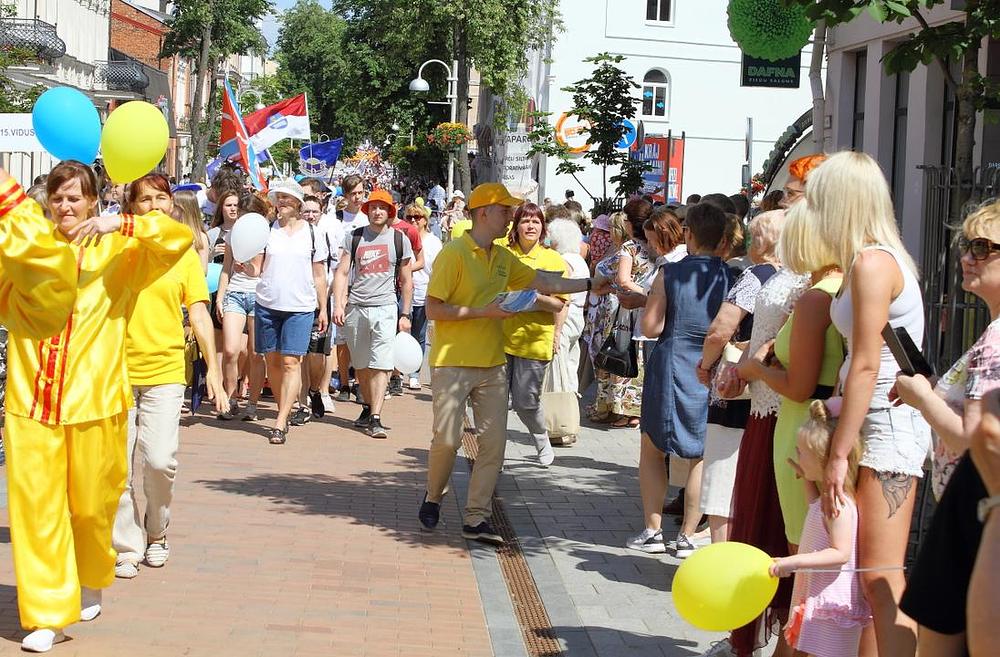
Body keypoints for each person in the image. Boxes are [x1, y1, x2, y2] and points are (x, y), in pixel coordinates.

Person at [4, 162, 191, 652]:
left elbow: (177, 237)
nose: (66, 207)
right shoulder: (28, 246)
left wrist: (122, 222)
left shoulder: (121, 250)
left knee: (90, 509)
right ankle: (47, 612)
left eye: (76, 198)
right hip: (31, 402)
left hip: (94, 401)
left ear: (92, 202)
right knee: (38, 510)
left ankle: (90, 574)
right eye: (59, 198)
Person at [417, 183, 595, 545]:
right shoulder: (454, 254)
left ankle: (476, 518)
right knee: (448, 441)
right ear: (483, 213)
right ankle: (434, 495)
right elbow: (433, 308)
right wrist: (484, 312)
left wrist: (594, 282)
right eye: (505, 210)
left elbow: (546, 281)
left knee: (494, 445)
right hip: (452, 363)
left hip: (493, 365)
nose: (511, 217)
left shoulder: (502, 257)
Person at [800, 152, 928, 657]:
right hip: (869, 422)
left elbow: (870, 364)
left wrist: (836, 456)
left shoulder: (874, 263)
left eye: (819, 198)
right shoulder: (867, 260)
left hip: (886, 425)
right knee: (868, 575)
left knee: (879, 576)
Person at [893, 200, 1000, 656]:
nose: (967, 257)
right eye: (966, 246)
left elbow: (979, 436)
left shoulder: (997, 339)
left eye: (983, 247)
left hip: (977, 507)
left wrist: (921, 398)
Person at [113, 174, 227, 580]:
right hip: (115, 371)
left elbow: (198, 311)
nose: (154, 206)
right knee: (116, 468)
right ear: (131, 208)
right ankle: (126, 544)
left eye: (161, 198)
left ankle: (157, 532)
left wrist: (213, 370)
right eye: (144, 200)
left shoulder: (182, 252)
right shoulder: (116, 245)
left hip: (165, 370)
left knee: (159, 461)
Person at [739, 204, 845, 549]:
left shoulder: (816, 297)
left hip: (804, 424)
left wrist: (757, 369)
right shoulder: (834, 287)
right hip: (818, 421)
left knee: (803, 543)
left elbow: (799, 388)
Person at [629, 203, 732, 557]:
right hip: (713, 367)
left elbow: (651, 327)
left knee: (653, 447)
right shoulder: (732, 277)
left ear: (688, 233)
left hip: (672, 362)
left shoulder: (669, 273)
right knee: (705, 451)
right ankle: (688, 534)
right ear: (723, 238)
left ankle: (653, 529)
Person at [698, 210, 784, 545]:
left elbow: (721, 329)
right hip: (773, 391)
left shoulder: (756, 276)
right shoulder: (800, 278)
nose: (749, 241)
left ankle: (722, 558)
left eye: (754, 234)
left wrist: (705, 366)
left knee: (722, 478)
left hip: (736, 387)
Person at [770, 400, 872, 657]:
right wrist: (806, 477)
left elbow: (840, 552)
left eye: (802, 452)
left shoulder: (839, 504)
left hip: (831, 602)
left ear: (823, 460)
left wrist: (793, 561)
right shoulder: (827, 500)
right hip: (818, 595)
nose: (797, 454)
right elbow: (814, 506)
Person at [332, 188, 413, 438]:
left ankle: (376, 415)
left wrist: (405, 314)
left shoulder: (400, 240)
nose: (377, 211)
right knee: (362, 364)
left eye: (382, 207)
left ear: (390, 211)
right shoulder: (355, 237)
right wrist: (338, 304)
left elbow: (407, 280)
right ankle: (367, 406)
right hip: (357, 306)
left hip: (386, 307)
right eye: (373, 207)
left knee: (382, 363)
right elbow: (343, 272)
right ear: (367, 211)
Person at [254, 179, 329, 444]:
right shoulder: (266, 230)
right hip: (268, 303)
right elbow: (257, 267)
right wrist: (244, 265)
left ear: (298, 202)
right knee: (272, 363)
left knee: (291, 362)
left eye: (287, 198)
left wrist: (323, 307)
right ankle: (281, 407)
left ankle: (281, 419)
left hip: (300, 306)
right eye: (279, 198)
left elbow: (319, 274)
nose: (282, 202)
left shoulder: (312, 233)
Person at [502, 203, 568, 466]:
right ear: (515, 226)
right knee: (495, 402)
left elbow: (559, 303)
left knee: (525, 401)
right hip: (500, 338)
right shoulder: (504, 255)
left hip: (534, 339)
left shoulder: (552, 259)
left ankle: (541, 438)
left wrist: (534, 298)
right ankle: (494, 454)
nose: (530, 226)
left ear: (543, 228)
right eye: (525, 221)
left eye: (536, 222)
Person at [593, 199, 655, 428]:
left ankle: (616, 408)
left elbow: (622, 279)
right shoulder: (655, 245)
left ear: (630, 223)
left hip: (627, 307)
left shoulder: (630, 248)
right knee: (639, 359)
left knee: (619, 352)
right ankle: (636, 411)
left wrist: (635, 291)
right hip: (649, 309)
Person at [214, 196, 266, 421]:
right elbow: (226, 269)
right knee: (230, 349)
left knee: (256, 353)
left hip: (258, 296)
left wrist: (248, 269)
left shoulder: (265, 236)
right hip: (234, 294)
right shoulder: (232, 236)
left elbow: (260, 271)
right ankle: (230, 397)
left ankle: (252, 404)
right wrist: (220, 297)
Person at [291, 195, 337, 424]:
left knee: (317, 355)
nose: (310, 215)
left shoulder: (326, 236)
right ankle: (301, 405)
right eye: (306, 211)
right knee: (299, 356)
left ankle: (315, 389)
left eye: (314, 212)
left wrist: (330, 304)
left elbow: (335, 272)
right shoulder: (294, 236)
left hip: (321, 302)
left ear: (321, 213)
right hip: (298, 302)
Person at [546, 217, 589, 444]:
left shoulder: (562, 261)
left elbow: (561, 298)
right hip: (578, 317)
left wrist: (555, 331)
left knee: (560, 372)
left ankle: (561, 426)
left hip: (565, 317)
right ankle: (571, 424)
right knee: (570, 370)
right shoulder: (579, 260)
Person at [387, 201, 424, 396]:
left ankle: (396, 375)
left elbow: (420, 261)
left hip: (402, 289)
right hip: (383, 289)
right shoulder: (377, 229)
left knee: (401, 332)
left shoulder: (408, 230)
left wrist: (402, 271)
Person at [404, 202, 442, 390]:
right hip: (402, 293)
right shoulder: (401, 238)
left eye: (417, 217)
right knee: (400, 333)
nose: (413, 221)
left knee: (418, 333)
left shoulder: (434, 242)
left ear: (425, 220)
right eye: (409, 217)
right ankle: (395, 374)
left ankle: (414, 373)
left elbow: (438, 271)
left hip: (423, 293)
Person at [171, 190, 210, 273]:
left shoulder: (200, 237)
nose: (170, 209)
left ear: (184, 210)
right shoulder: (170, 235)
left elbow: (204, 270)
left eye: (173, 206)